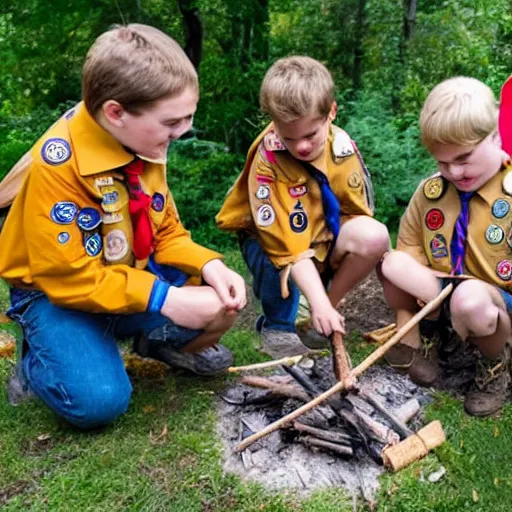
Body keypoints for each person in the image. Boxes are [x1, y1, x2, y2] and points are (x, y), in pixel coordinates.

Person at [0, 24, 246, 429]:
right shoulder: (58, 165)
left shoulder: (142, 141)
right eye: (172, 122)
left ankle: (155, 342)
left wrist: (208, 265)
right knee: (99, 402)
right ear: (116, 112)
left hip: (125, 273)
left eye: (188, 117)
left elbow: (163, 230)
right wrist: (166, 299)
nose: (183, 131)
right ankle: (39, 360)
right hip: (55, 292)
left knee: (220, 303)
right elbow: (69, 277)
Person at [216, 56, 390, 358]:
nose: (301, 147)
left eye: (311, 135)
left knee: (374, 235)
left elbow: (356, 211)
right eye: (289, 137)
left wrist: (323, 295)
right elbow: (286, 245)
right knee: (272, 256)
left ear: (331, 112)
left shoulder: (342, 147)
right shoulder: (268, 161)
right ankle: (277, 326)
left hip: (321, 232)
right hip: (273, 239)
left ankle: (320, 311)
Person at [380, 76, 512, 417]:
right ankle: (429, 338)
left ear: (495, 135)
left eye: (465, 157)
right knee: (393, 264)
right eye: (442, 162)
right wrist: (415, 305)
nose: (453, 171)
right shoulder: (431, 193)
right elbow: (409, 251)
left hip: (496, 301)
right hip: (445, 289)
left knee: (471, 300)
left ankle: (495, 366)